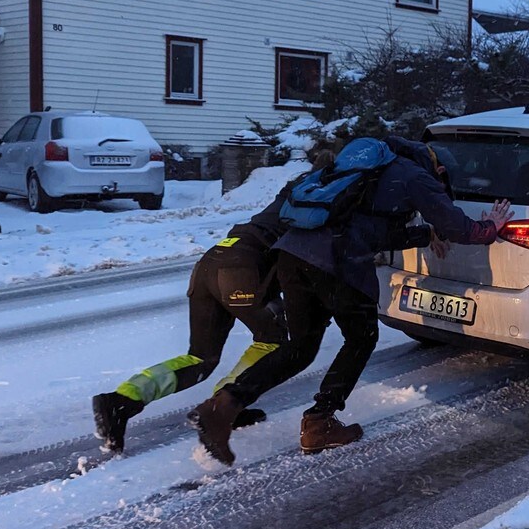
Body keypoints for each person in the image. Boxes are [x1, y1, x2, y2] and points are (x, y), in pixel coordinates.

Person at [190, 136, 512, 465]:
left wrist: (423, 234)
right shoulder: (415, 176)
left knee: (300, 348)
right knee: (361, 336)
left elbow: (371, 228)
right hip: (336, 262)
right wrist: (491, 227)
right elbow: (458, 227)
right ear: (439, 170)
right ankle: (319, 422)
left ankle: (224, 405)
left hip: (292, 255)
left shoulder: (361, 168)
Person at [90, 151, 333, 454]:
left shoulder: (295, 189)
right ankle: (226, 403)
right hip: (244, 267)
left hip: (212, 261)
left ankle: (121, 400)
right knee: (276, 341)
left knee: (200, 358)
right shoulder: (324, 201)